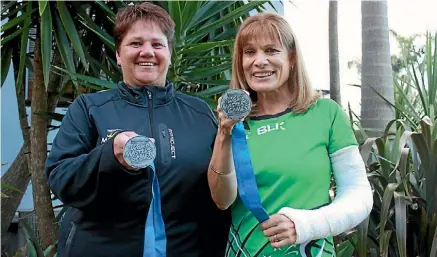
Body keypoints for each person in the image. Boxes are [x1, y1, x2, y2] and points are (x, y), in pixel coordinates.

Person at [46, 2, 230, 257]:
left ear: (169, 52)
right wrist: (110, 157)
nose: (147, 52)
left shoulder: (199, 113)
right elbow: (61, 179)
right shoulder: (90, 108)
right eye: (136, 43)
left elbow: (222, 185)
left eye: (157, 44)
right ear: (119, 54)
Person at [208, 13, 373, 257]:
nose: (259, 61)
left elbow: (358, 196)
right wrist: (225, 132)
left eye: (271, 50)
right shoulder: (234, 124)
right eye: (250, 52)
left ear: (292, 58)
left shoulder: (326, 113)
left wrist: (305, 224)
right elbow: (222, 200)